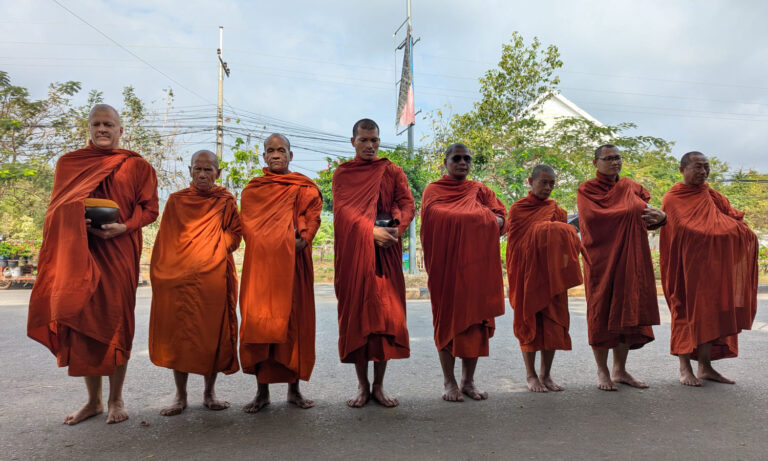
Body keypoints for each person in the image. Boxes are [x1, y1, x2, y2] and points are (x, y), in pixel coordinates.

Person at [27, 104, 158, 424]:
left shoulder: (136, 166)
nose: (103, 129)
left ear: (120, 130)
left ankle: (116, 399)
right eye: (97, 124)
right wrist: (75, 220)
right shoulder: (69, 164)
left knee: (117, 324)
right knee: (82, 325)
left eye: (109, 124)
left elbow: (150, 209)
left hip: (119, 254)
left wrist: (123, 227)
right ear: (88, 128)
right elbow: (55, 210)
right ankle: (93, 401)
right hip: (80, 254)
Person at [149, 150, 241, 415]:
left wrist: (212, 247)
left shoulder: (225, 201)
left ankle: (209, 393)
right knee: (180, 338)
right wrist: (164, 276)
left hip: (213, 278)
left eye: (209, 169)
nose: (203, 174)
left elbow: (235, 235)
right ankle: (180, 396)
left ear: (218, 173)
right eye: (198, 169)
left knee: (210, 336)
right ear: (190, 171)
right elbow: (166, 241)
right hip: (180, 281)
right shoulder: (177, 202)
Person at [333, 118, 415, 407]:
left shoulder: (391, 171)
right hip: (357, 255)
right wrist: (369, 231)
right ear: (353, 141)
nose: (369, 145)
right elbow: (343, 212)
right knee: (359, 319)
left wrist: (395, 225)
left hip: (386, 253)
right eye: (364, 140)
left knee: (383, 319)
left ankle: (378, 386)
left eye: (374, 140)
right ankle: (362, 385)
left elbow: (406, 203)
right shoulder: (343, 174)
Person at [239, 134, 322, 412]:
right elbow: (249, 227)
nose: (276, 155)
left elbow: (313, 216)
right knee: (261, 325)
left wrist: (304, 239)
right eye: (270, 151)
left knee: (293, 324)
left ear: (290, 155)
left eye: (281, 150)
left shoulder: (304, 187)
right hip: (262, 268)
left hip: (295, 265)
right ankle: (261, 392)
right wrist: (284, 242)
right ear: (263, 156)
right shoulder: (253, 190)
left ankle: (294, 390)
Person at [660, 151, 758, 386]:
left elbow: (735, 221)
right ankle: (685, 368)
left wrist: (735, 232)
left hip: (713, 270)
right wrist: (723, 230)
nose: (703, 172)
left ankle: (705, 367)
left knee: (710, 315)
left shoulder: (713, 196)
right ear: (682, 169)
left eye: (706, 167)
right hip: (685, 270)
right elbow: (686, 230)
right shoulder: (673, 198)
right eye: (697, 167)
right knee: (685, 313)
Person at [420, 143, 506, 402]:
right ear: (445, 162)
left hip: (477, 270)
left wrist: (480, 218)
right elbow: (435, 217)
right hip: (447, 270)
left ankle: (468, 381)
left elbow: (502, 218)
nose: (462, 163)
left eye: (467, 159)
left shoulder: (479, 190)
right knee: (447, 323)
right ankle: (449, 381)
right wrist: (479, 218)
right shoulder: (433, 191)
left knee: (475, 325)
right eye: (456, 158)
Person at [577, 144, 666, 391]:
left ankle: (620, 370)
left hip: (630, 258)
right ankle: (602, 371)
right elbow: (593, 219)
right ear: (595, 163)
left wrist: (662, 218)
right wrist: (628, 213)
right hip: (601, 260)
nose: (615, 162)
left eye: (618, 158)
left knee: (627, 311)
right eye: (608, 158)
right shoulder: (587, 189)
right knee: (601, 313)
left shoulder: (629, 186)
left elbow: (649, 217)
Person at [507, 165, 584, 392]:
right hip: (527, 276)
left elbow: (563, 247)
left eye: (552, 183)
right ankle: (531, 375)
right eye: (544, 182)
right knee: (529, 322)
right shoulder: (518, 209)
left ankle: (546, 374)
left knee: (552, 325)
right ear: (530, 181)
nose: (548, 187)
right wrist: (546, 231)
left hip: (552, 278)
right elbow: (516, 246)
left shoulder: (557, 211)